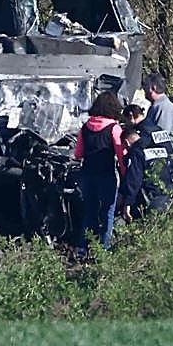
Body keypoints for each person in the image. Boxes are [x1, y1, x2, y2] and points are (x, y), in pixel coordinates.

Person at [73, 91, 126, 252]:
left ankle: (83, 247)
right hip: (106, 175)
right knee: (108, 212)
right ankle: (104, 248)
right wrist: (125, 174)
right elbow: (121, 154)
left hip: (87, 174)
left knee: (89, 211)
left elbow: (78, 154)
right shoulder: (114, 128)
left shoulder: (85, 127)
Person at [119, 93, 173, 220]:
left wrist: (128, 200)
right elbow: (172, 158)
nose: (126, 125)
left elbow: (136, 172)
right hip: (168, 188)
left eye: (126, 121)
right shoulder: (159, 131)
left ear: (131, 116)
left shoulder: (140, 137)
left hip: (149, 191)